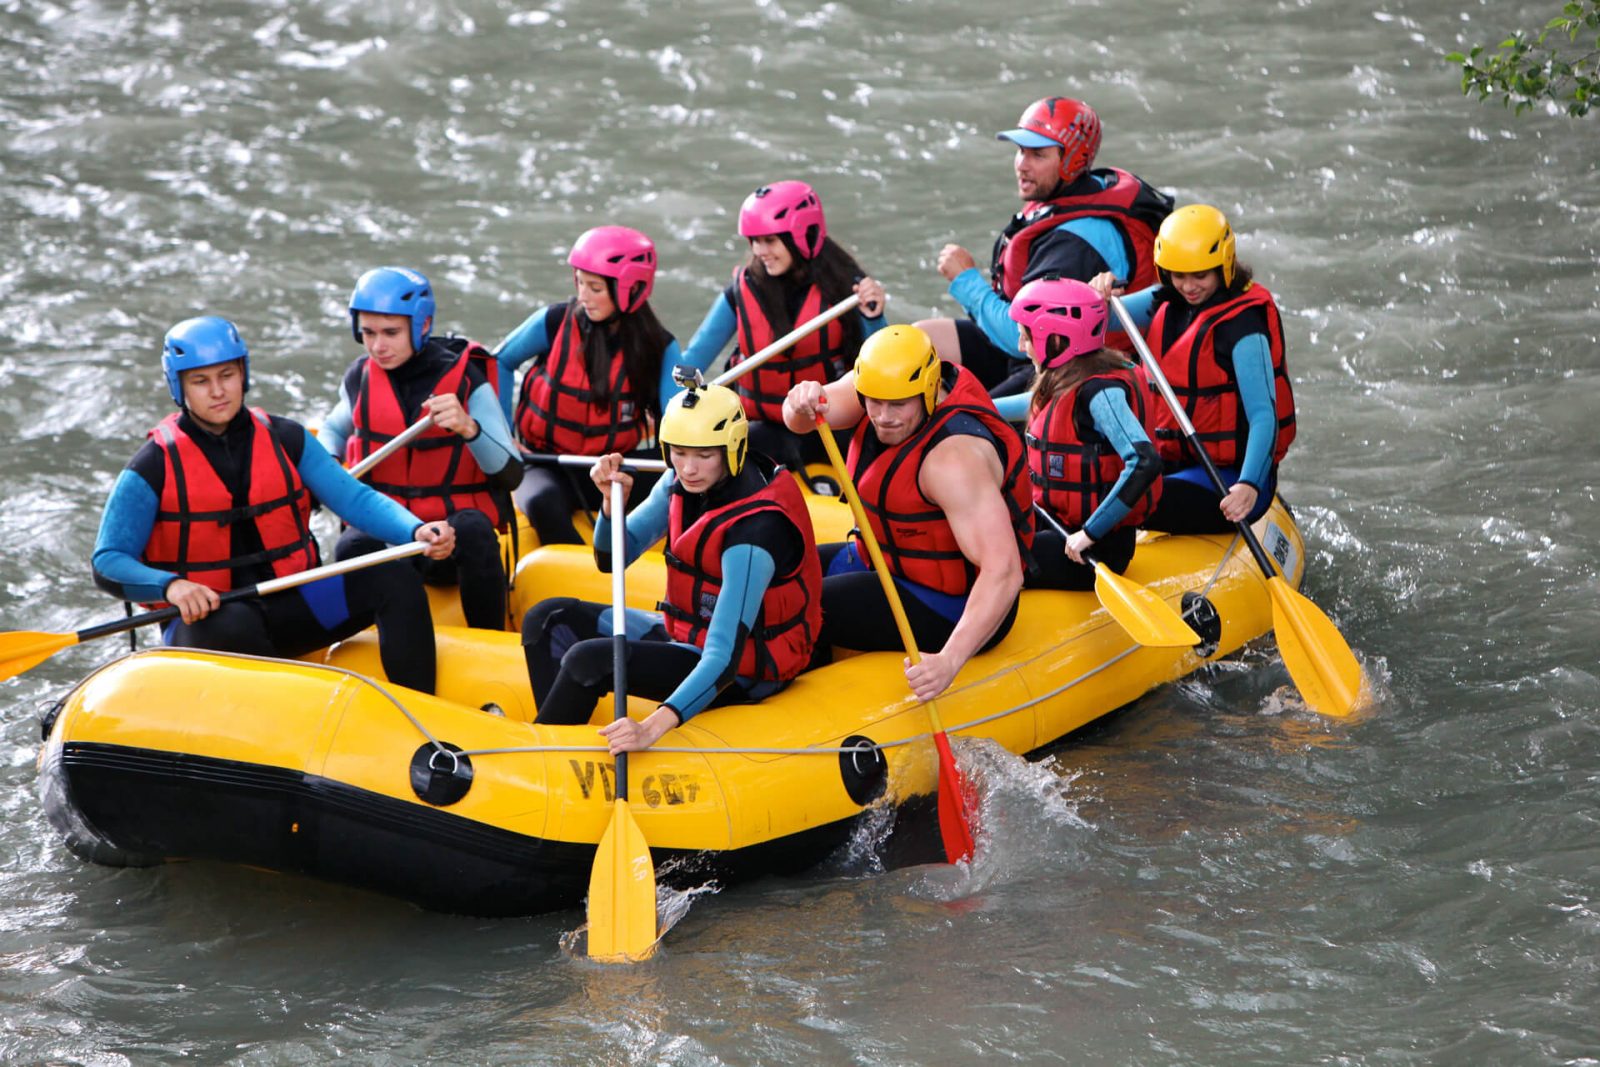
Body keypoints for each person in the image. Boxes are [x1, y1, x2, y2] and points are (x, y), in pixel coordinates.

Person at [92, 316, 455, 692]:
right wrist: (170, 587)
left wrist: (415, 529)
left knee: (393, 577)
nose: (218, 391)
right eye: (201, 381)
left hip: (295, 607)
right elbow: (108, 561)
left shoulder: (286, 438)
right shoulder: (153, 465)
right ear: (178, 385)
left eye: (227, 375)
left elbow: (355, 498)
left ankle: (422, 716)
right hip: (207, 625)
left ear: (243, 374)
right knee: (233, 622)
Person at [521, 380, 821, 754]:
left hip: (742, 671)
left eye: (704, 456)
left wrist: (651, 728)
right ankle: (554, 742)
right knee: (547, 618)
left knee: (588, 660)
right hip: (687, 637)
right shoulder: (682, 481)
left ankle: (544, 760)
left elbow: (724, 658)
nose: (690, 468)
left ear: (733, 448)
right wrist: (612, 504)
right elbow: (610, 559)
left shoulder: (756, 531)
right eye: (679, 453)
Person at [781, 325, 1034, 702]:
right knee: (777, 571)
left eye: (899, 405)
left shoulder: (954, 461)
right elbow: (799, 420)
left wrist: (948, 661)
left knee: (791, 606)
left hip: (951, 604)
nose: (883, 417)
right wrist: (799, 400)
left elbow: (1004, 571)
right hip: (886, 562)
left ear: (930, 390)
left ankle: (792, 689)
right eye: (875, 403)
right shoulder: (881, 385)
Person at [913, 97, 1173, 396]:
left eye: (1037, 154)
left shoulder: (1076, 243)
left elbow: (1024, 336)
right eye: (1021, 151)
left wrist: (967, 282)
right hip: (1027, 353)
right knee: (922, 339)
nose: (1022, 164)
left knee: (957, 418)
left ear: (1072, 160)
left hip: (1064, 371)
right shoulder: (1065, 199)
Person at [319, 267, 521, 630]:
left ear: (421, 325)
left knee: (474, 528)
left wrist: (468, 427)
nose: (378, 346)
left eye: (391, 333)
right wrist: (329, 466)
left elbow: (511, 473)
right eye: (368, 333)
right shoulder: (360, 377)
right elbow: (332, 431)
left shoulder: (464, 378)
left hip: (447, 543)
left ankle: (489, 636)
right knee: (351, 544)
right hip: (391, 537)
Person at [1098, 204, 1296, 533]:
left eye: (1200, 275)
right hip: (1175, 464)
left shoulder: (1244, 326)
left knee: (1123, 501)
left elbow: (1264, 415)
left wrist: (1249, 485)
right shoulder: (1166, 300)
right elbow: (1099, 318)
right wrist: (1097, 293)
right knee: (1093, 483)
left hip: (1228, 481)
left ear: (1224, 266)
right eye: (1179, 275)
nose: (1188, 286)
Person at [679, 180, 888, 473]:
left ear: (802, 236)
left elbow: (881, 362)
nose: (759, 250)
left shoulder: (848, 288)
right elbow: (694, 358)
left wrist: (873, 315)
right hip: (766, 428)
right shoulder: (743, 289)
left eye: (769, 241)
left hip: (830, 426)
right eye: (753, 240)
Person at [494, 226, 680, 545]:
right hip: (543, 462)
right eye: (580, 283)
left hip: (613, 467)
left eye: (595, 288)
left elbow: (677, 420)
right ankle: (583, 571)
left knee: (681, 486)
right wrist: (503, 436)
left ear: (630, 289)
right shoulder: (554, 321)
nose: (583, 296)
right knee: (542, 502)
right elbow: (498, 362)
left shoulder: (659, 346)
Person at [1003, 278, 1163, 590]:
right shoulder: (1070, 376)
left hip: (1095, 549)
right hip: (1058, 524)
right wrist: (975, 407)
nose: (1022, 347)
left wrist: (1088, 534)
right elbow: (1032, 405)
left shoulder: (1101, 392)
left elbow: (1144, 461)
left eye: (1026, 337)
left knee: (991, 557)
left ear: (1057, 340)